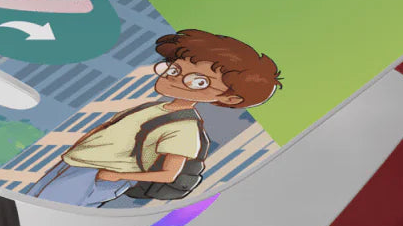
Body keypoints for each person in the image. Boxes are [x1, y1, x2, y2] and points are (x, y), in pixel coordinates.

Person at [26, 29, 282, 206]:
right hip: (75, 163)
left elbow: (169, 173)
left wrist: (115, 176)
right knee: (35, 203)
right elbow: (110, 128)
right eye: (174, 69)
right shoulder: (154, 108)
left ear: (229, 98)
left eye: (198, 81)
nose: (174, 78)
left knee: (46, 214)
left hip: (97, 174)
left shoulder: (184, 127)